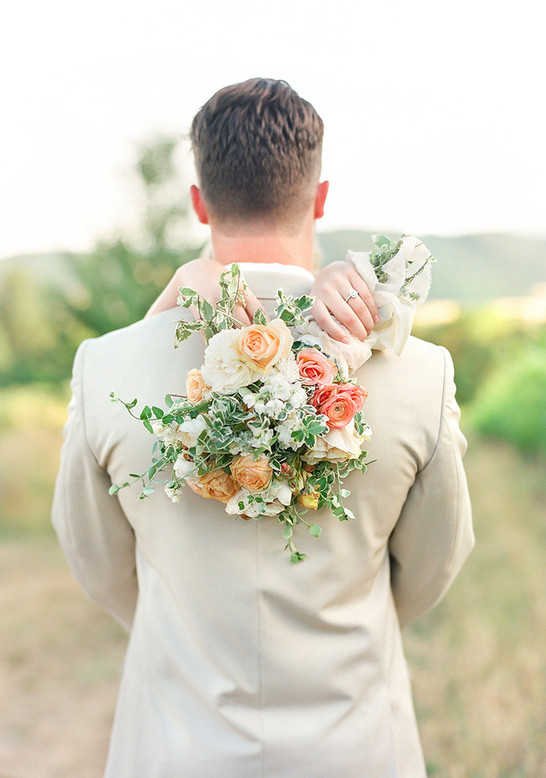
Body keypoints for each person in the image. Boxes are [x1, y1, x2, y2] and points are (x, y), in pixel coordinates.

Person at [52, 78, 474, 777]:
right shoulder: (419, 373)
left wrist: (178, 636)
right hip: (358, 746)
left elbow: (96, 566)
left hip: (175, 745)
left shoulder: (104, 370)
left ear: (198, 201)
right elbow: (434, 567)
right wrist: (350, 635)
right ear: (319, 196)